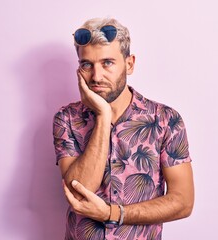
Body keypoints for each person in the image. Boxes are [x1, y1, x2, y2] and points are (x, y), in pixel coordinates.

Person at [53, 17, 194, 240]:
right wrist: (103, 115)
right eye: (87, 64)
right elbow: (80, 192)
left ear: (129, 64)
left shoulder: (166, 119)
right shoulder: (67, 119)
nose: (96, 76)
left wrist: (113, 213)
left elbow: (183, 202)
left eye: (107, 62)